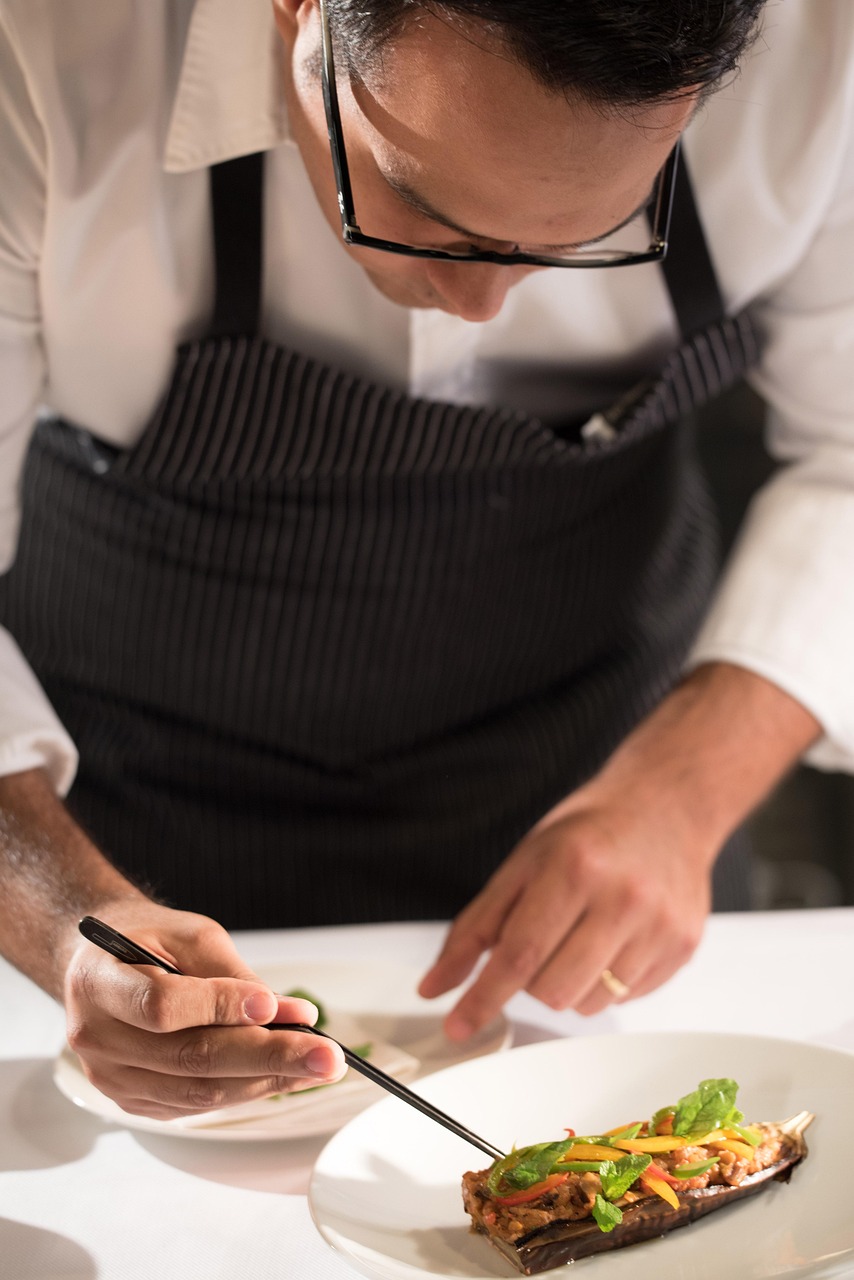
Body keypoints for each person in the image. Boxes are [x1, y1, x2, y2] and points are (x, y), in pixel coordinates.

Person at [0, 0, 849, 1121]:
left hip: (601, 814)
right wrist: (63, 915)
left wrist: (683, 789)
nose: (481, 303)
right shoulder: (46, 44)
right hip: (118, 804)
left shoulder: (825, 45)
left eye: (583, 237)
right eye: (415, 204)